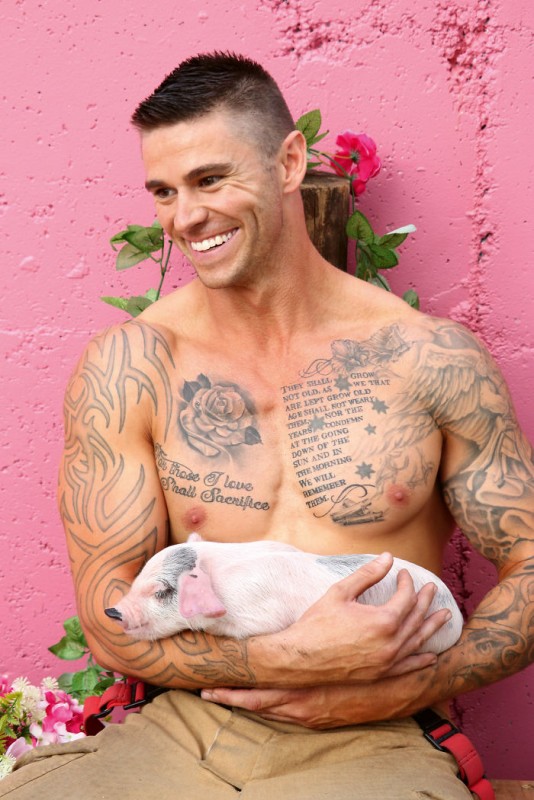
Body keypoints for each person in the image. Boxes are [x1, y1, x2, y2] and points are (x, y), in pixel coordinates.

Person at [3, 52, 533, 800]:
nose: (185, 217)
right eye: (165, 191)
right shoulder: (132, 366)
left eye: (211, 179)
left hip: (373, 735)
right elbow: (107, 612)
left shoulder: (430, 359)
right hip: (181, 726)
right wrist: (286, 660)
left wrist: (412, 685)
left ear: (288, 163)